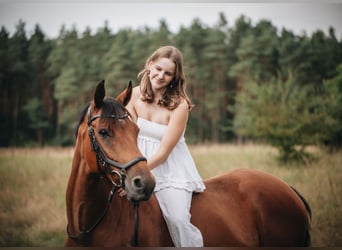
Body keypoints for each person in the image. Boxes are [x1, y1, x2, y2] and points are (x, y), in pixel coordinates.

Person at [125, 45, 206, 247]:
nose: (161, 76)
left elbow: (163, 153)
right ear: (150, 65)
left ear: (174, 77)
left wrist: (134, 172)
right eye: (159, 69)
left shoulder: (180, 105)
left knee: (178, 219)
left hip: (169, 169)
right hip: (135, 163)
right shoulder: (134, 95)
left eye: (168, 73)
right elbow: (127, 135)